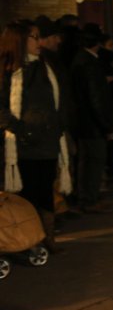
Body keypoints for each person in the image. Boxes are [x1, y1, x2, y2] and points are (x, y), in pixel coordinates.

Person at [0, 19, 71, 253]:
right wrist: (22, 131)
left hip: (48, 141)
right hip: (23, 144)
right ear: (20, 40)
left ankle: (47, 237)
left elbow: (57, 102)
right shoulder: (8, 70)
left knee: (45, 191)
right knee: (26, 194)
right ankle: (26, 240)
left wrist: (59, 125)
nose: (39, 42)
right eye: (34, 36)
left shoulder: (46, 66)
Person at [70, 23, 113, 213]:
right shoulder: (90, 64)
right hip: (92, 122)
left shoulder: (78, 61)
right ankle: (90, 198)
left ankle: (85, 196)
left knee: (85, 160)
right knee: (95, 160)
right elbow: (96, 98)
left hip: (81, 120)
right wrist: (105, 125)